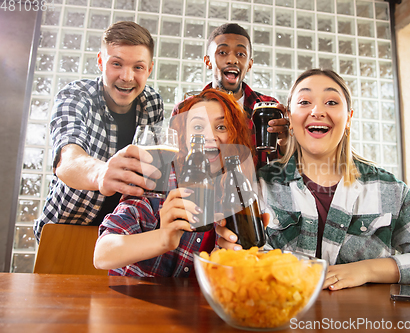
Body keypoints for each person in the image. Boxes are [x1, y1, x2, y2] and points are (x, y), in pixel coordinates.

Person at [216, 68, 410, 290]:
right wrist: (231, 254)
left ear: (348, 118)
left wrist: (367, 270)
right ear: (289, 119)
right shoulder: (258, 186)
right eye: (304, 102)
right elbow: (240, 264)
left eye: (331, 102)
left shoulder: (389, 189)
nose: (317, 111)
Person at [93, 89, 255, 276]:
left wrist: (239, 255)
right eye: (197, 127)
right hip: (133, 301)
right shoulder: (158, 178)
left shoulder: (238, 191)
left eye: (221, 127)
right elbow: (103, 253)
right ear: (183, 139)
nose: (209, 136)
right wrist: (163, 238)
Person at [33, 21, 164, 242]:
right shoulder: (75, 96)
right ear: (101, 61)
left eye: (138, 67)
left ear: (149, 69)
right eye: (117, 64)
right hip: (64, 232)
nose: (127, 76)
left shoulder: (152, 103)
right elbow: (67, 160)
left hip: (124, 237)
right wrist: (101, 174)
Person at [172, 23, 289, 166]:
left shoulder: (268, 106)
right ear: (208, 61)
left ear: (249, 64)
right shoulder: (184, 110)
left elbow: (282, 167)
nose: (232, 60)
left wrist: (286, 145)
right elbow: (175, 165)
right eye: (222, 52)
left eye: (241, 54)